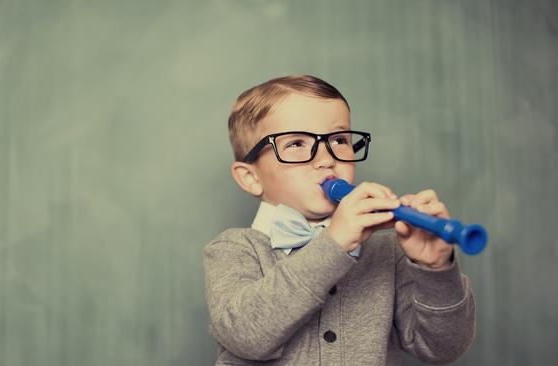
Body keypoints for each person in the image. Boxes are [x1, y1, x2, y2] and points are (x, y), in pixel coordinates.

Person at [202, 75, 476, 365]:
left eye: (338, 140)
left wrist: (434, 270)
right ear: (251, 177)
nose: (326, 159)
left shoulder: (387, 253)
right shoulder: (233, 249)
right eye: (296, 142)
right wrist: (334, 244)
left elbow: (444, 348)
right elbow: (246, 336)